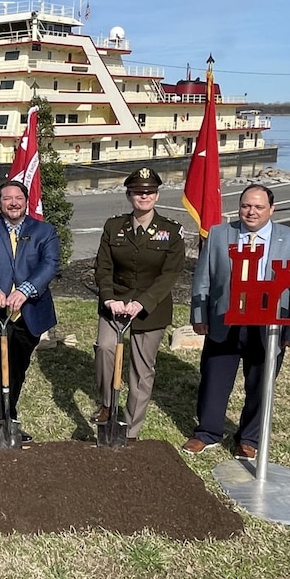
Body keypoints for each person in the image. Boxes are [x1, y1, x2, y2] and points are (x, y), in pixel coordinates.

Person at [183, 184, 290, 459]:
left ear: (271, 210)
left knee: (260, 385)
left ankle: (249, 438)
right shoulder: (219, 234)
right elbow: (203, 278)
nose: (251, 212)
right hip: (224, 320)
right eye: (245, 206)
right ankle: (207, 433)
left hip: (269, 325)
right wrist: (199, 315)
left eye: (258, 207)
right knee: (214, 380)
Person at [92, 167, 186, 441]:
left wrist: (142, 303)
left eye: (149, 192)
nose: (143, 197)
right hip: (115, 303)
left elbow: (170, 274)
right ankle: (108, 405)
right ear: (129, 195)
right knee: (105, 349)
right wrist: (108, 297)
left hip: (151, 307)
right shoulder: (114, 226)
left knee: (141, 370)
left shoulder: (171, 231)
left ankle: (131, 429)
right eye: (137, 192)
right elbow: (103, 266)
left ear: (156, 196)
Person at [0, 180, 60, 440]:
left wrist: (26, 290)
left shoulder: (44, 231)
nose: (13, 202)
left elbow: (50, 264)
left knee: (18, 364)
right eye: (7, 198)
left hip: (30, 310)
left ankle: (10, 411)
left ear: (26, 201)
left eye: (18, 198)